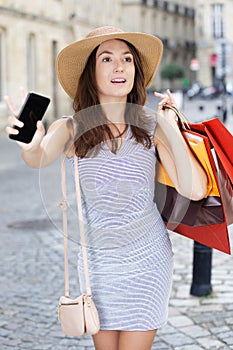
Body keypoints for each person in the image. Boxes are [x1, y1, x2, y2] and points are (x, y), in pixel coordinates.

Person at [5, 26, 207, 350]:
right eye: (107, 58)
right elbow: (38, 158)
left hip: (147, 261)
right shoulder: (71, 128)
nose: (120, 67)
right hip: (99, 268)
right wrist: (29, 142)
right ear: (91, 71)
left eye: (127, 59)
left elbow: (194, 189)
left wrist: (173, 129)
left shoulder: (152, 127)